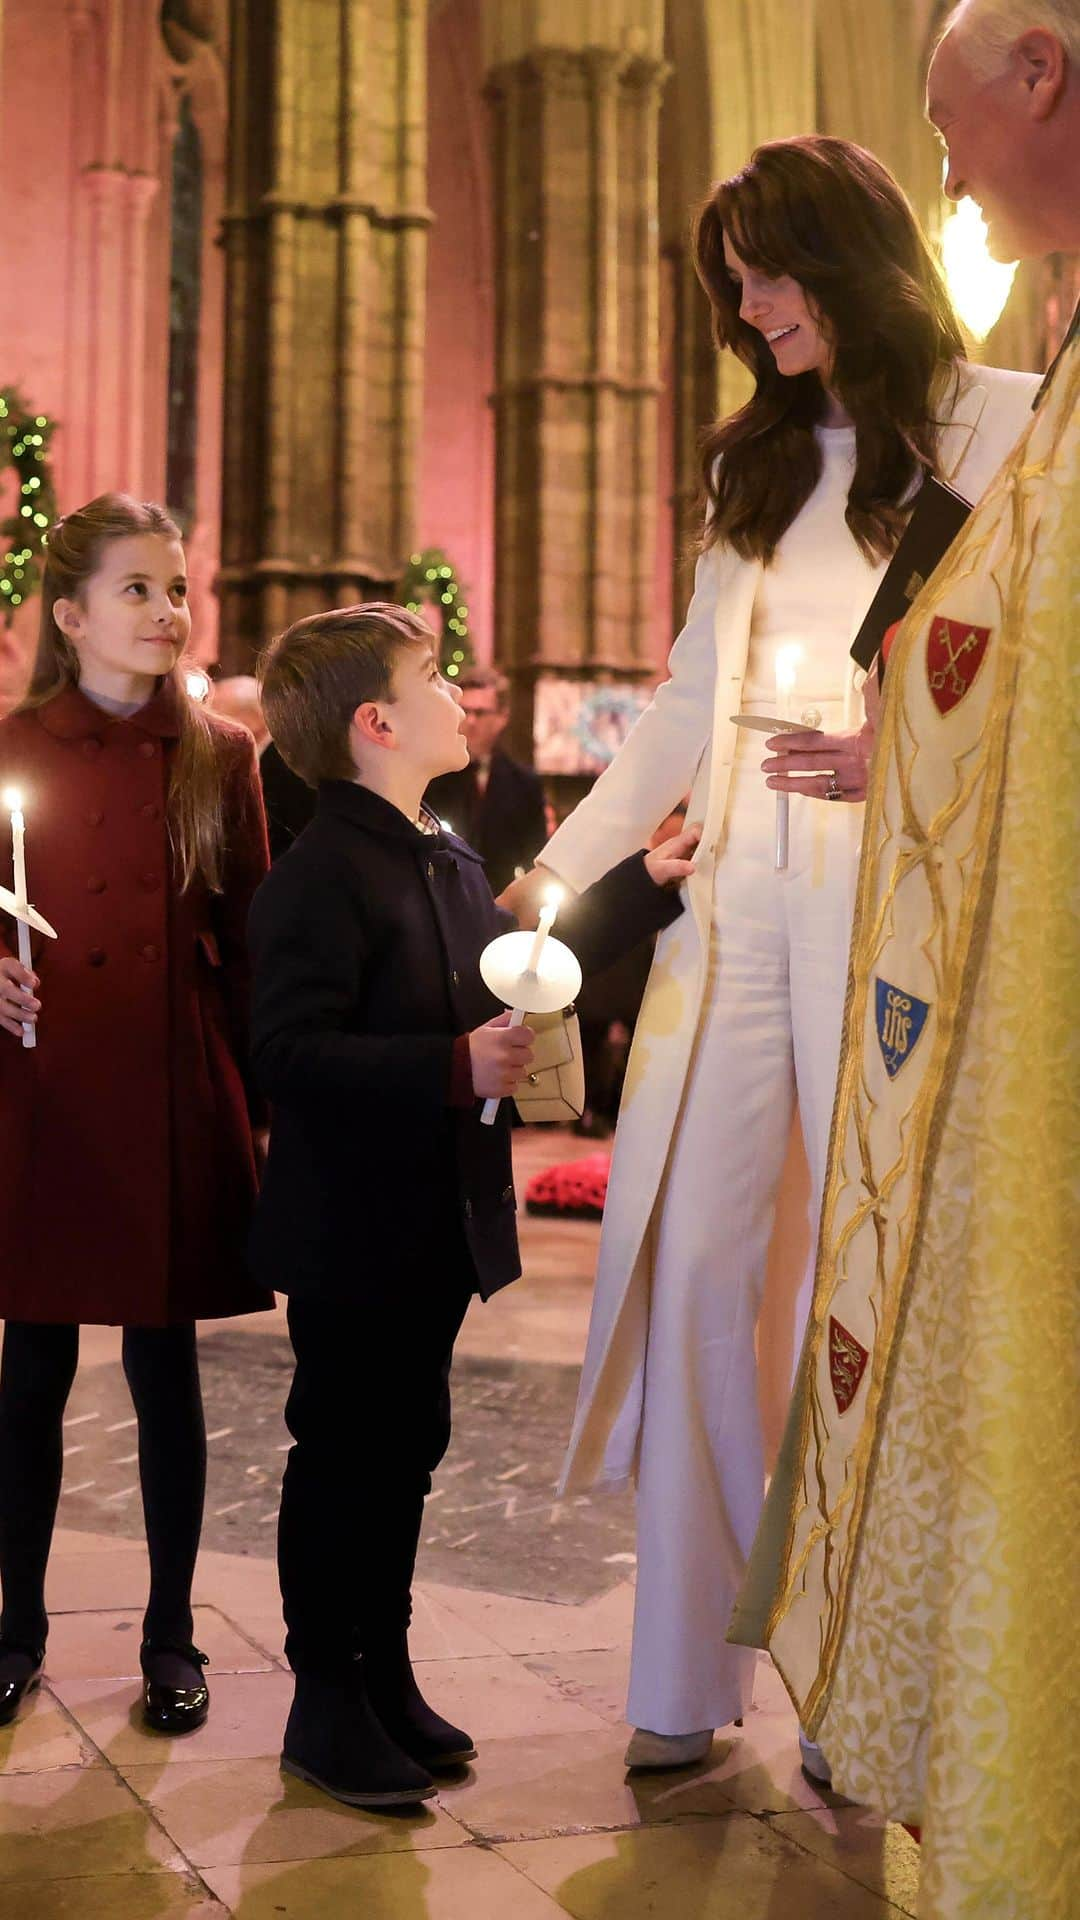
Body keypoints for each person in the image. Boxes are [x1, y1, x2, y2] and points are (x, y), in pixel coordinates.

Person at [501, 134, 1039, 1771]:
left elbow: (1046, 667)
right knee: (691, 1264)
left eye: (772, 266)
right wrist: (554, 876)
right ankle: (688, 1663)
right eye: (729, 278)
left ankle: (856, 1670)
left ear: (854, 254)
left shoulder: (1002, 423)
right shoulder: (750, 465)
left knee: (862, 1288)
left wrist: (915, 758)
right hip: (734, 900)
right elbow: (680, 704)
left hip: (899, 907)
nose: (747, 303)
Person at [731, 9, 1080, 1917]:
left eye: (953, 131)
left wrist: (894, 745)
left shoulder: (1004, 404)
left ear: (1042, 70)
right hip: (809, 921)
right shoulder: (783, 456)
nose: (950, 179)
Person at [247, 602, 698, 1809]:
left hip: (434, 1220)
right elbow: (284, 1052)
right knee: (343, 1453)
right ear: (377, 722)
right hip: (354, 1227)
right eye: (433, 677)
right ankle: (322, 1701)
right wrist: (449, 1070)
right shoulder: (320, 874)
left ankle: (381, 1669)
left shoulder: (434, 848)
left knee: (408, 1446)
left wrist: (641, 889)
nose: (458, 695)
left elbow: (518, 961)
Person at [0, 493, 272, 1735]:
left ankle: (171, 1635)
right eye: (138, 591)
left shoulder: (223, 754)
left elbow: (255, 942)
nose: (169, 612)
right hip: (44, 1089)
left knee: (169, 1375)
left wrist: (270, 1106)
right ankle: (14, 1628)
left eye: (178, 589)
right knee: (30, 1373)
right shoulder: (12, 743)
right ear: (70, 614)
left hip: (169, 1088)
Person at [426, 665, 548, 894]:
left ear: (502, 717)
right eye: (465, 710)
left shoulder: (525, 783)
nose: (470, 721)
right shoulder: (433, 774)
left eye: (480, 713)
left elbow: (535, 857)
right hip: (439, 895)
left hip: (497, 900)